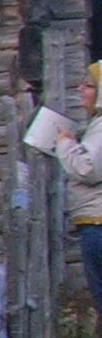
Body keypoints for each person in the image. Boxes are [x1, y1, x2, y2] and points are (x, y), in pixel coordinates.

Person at [49, 61, 102, 315]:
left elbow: (88, 169)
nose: (81, 89)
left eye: (90, 85)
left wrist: (65, 144)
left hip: (98, 223)